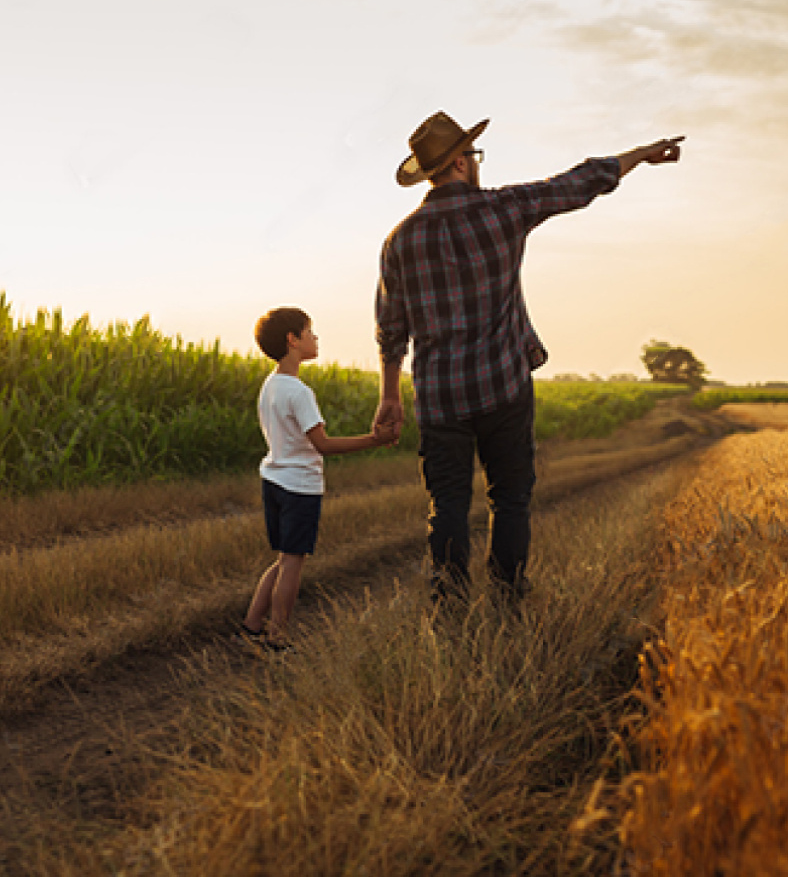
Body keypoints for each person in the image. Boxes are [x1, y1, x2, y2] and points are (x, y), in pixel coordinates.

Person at [374, 110, 683, 604]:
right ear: (459, 162)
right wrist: (640, 157)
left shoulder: (400, 239)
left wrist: (389, 396)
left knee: (448, 503)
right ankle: (507, 596)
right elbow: (577, 182)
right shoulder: (504, 209)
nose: (477, 163)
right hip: (503, 385)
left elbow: (391, 329)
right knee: (510, 497)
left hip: (439, 398)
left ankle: (450, 603)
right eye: (473, 155)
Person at [237, 306, 397, 652]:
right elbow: (322, 444)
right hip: (299, 487)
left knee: (282, 559)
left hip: (273, 480)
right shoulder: (299, 392)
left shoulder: (270, 386)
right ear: (293, 340)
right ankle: (276, 637)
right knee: (292, 563)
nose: (316, 337)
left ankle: (252, 625)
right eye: (310, 332)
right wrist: (376, 440)